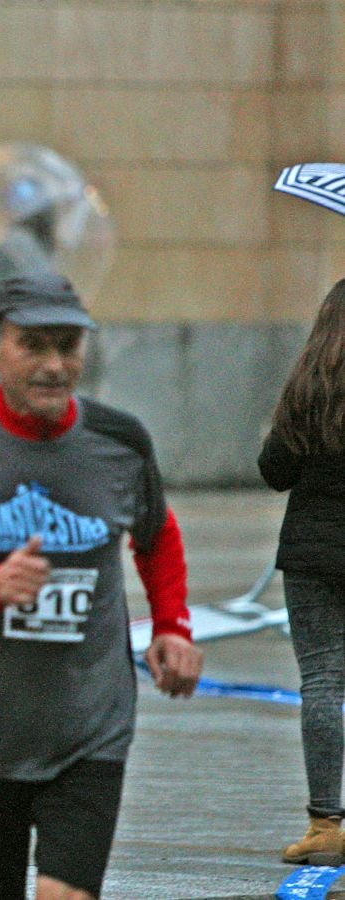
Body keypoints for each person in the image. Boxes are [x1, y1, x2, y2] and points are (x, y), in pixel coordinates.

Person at [0, 273, 200, 900]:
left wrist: (172, 625)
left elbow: (156, 535)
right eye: (35, 346)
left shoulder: (119, 442)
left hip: (89, 726)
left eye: (69, 346)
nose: (56, 366)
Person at [260, 278, 345, 866]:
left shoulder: (309, 385)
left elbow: (275, 471)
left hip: (314, 555)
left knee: (322, 681)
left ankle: (325, 826)